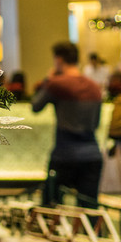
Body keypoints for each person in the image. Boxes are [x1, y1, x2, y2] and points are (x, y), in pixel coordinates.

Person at [32, 42, 103, 208]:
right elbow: (97, 123)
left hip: (64, 155)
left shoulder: (57, 84)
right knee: (89, 209)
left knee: (51, 206)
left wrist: (48, 78)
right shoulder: (95, 87)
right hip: (93, 154)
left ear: (58, 60)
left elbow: (36, 106)